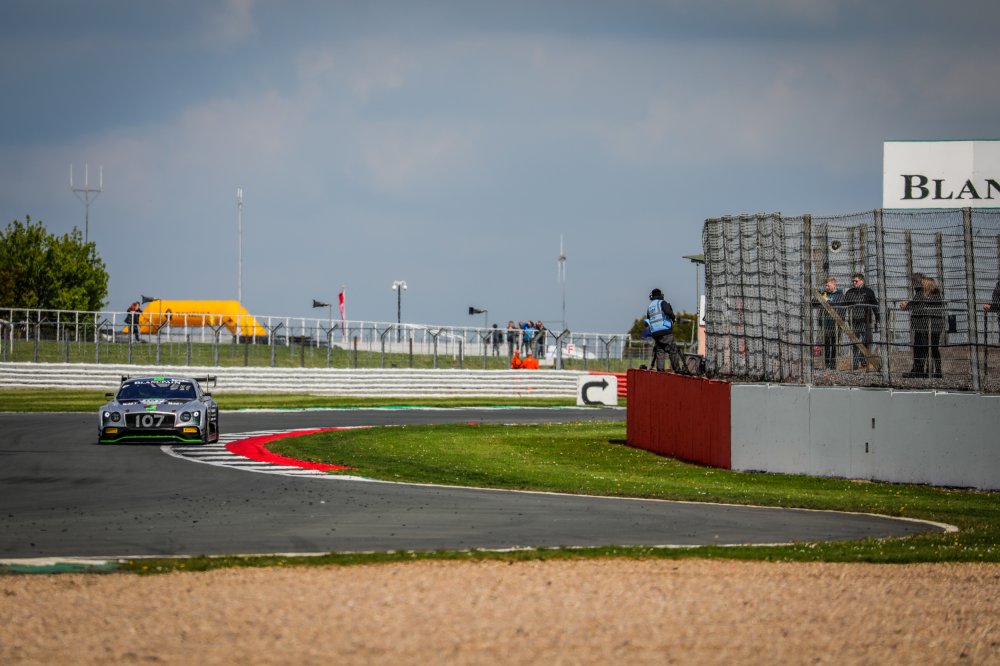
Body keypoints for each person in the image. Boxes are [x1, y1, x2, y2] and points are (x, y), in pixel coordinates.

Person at [841, 273, 879, 370]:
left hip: (865, 321)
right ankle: (854, 363)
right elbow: (844, 306)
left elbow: (875, 305)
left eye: (856, 281)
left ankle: (863, 360)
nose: (854, 283)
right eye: (853, 281)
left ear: (862, 281)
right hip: (854, 321)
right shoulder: (850, 292)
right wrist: (842, 319)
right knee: (855, 342)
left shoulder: (868, 292)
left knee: (866, 341)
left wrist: (878, 317)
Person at [644, 288, 686, 374]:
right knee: (673, 349)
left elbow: (649, 318)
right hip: (665, 330)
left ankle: (660, 371)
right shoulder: (662, 302)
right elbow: (668, 312)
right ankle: (677, 369)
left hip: (655, 333)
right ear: (660, 295)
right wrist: (673, 317)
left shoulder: (650, 307)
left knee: (660, 350)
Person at [811, 276, 843, 370]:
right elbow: (813, 302)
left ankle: (833, 364)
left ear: (834, 284)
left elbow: (838, 305)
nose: (827, 287)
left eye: (828, 285)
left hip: (836, 323)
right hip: (826, 323)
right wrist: (819, 298)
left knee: (834, 344)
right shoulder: (825, 293)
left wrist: (827, 301)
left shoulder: (840, 295)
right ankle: (827, 363)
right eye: (826, 285)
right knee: (827, 344)